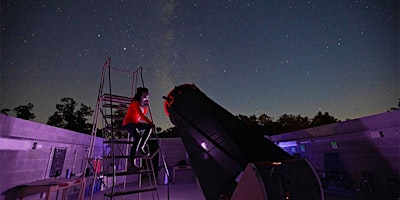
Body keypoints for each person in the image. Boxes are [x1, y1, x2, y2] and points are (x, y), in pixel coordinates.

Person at [123, 87, 155, 169]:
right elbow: (140, 115)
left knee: (149, 127)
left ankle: (141, 147)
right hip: (128, 123)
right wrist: (150, 122)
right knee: (138, 137)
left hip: (136, 123)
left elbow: (142, 116)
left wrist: (146, 107)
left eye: (147, 95)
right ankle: (131, 163)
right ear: (140, 95)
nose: (146, 97)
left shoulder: (144, 105)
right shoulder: (135, 102)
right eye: (144, 95)